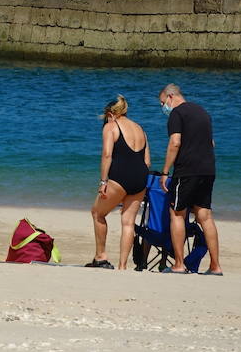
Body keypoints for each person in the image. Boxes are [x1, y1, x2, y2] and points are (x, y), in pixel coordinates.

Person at [158, 84, 222, 275]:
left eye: (163, 103)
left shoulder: (177, 114)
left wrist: (165, 171)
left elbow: (175, 142)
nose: (163, 107)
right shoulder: (202, 112)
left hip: (187, 170)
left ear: (171, 97)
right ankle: (215, 266)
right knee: (205, 216)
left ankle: (179, 264)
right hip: (208, 169)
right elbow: (211, 143)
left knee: (177, 213)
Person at [87, 95, 150, 269]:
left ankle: (101, 256)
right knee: (128, 222)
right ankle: (123, 266)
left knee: (97, 213)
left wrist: (103, 181)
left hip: (120, 177)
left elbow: (107, 155)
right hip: (140, 178)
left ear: (111, 114)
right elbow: (147, 161)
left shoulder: (111, 126)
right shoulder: (140, 129)